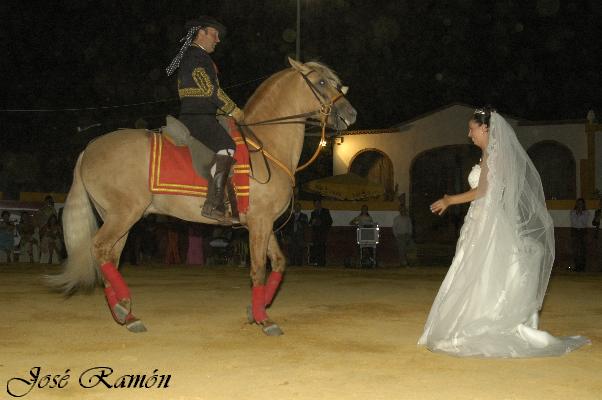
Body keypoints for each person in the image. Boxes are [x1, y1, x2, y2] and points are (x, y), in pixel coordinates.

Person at [418, 106, 590, 358]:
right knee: (476, 268)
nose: (469, 134)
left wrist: (450, 200)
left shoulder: (492, 154)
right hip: (481, 218)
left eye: (472, 128)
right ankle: (473, 318)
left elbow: (484, 190)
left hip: (487, 219)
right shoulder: (490, 154)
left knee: (483, 268)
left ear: (485, 128)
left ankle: (483, 322)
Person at [166, 15, 244, 221]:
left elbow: (202, 91)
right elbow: (209, 89)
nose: (217, 40)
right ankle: (214, 205)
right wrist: (232, 108)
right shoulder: (196, 56)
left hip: (199, 114)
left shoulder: (193, 56)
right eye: (214, 34)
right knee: (227, 146)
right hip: (197, 117)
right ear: (201, 33)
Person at [309, 199, 332, 267]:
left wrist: (321, 222)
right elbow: (310, 223)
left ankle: (322, 262)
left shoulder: (326, 211)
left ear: (320, 204)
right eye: (315, 204)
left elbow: (330, 221)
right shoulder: (313, 213)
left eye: (318, 204)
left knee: (322, 247)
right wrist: (312, 222)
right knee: (316, 247)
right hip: (315, 233)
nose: (317, 205)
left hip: (323, 232)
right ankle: (316, 262)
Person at [570, 198, 589, 272]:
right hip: (575, 231)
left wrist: (580, 213)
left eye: (581, 203)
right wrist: (577, 213)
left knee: (582, 249)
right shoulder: (572, 212)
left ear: (583, 204)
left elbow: (584, 223)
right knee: (575, 249)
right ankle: (576, 266)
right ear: (576, 204)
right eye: (578, 203)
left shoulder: (586, 213)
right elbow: (574, 222)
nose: (579, 205)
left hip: (583, 231)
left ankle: (582, 267)